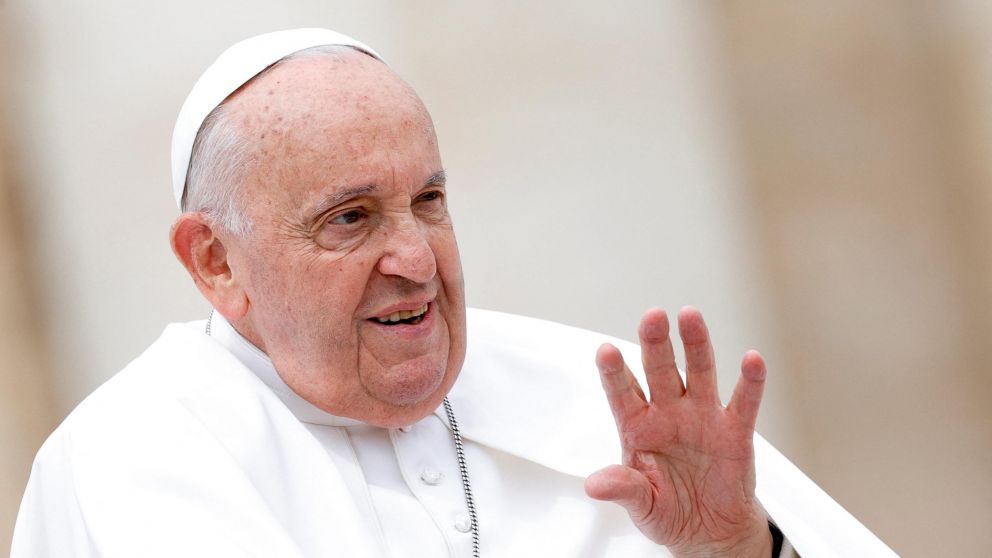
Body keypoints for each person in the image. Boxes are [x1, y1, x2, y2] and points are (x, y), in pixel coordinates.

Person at [11, 29, 895, 557]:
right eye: (349, 218)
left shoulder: (602, 402)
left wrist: (742, 550)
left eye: (428, 200)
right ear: (215, 262)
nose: (416, 258)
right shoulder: (128, 465)